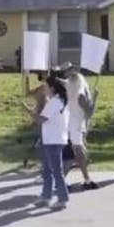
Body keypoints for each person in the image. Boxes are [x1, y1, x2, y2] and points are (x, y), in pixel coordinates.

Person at [34, 76, 70, 210]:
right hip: (54, 138)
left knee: (55, 170)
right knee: (47, 170)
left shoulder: (54, 102)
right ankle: (46, 196)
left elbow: (40, 119)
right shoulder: (60, 101)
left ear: (52, 88)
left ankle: (62, 198)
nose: (44, 89)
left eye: (46, 87)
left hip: (52, 140)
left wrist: (28, 111)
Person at [61, 62, 98, 190]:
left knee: (75, 152)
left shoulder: (72, 81)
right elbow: (84, 102)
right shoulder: (77, 81)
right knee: (77, 152)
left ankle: (62, 179)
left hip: (72, 121)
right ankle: (86, 180)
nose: (70, 72)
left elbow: (64, 84)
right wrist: (94, 100)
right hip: (75, 122)